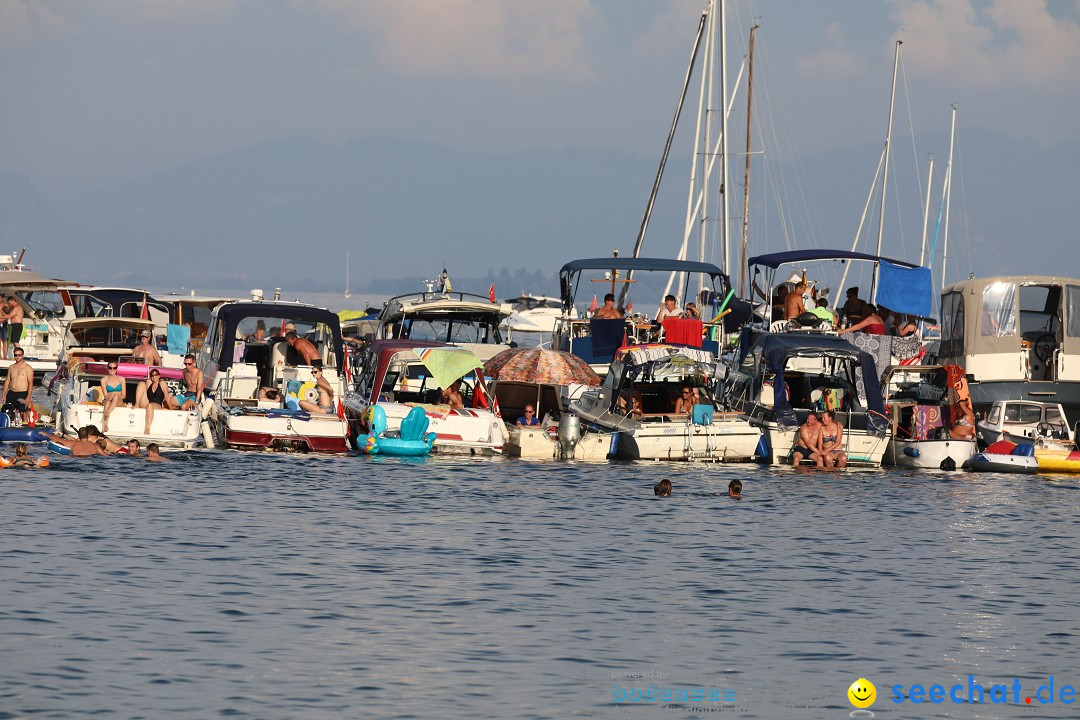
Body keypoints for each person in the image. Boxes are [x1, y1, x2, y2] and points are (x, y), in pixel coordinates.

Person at [136, 368, 175, 435]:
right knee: (141, 383)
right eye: (152, 375)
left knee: (150, 405)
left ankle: (147, 428)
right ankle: (136, 404)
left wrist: (171, 409)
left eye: (156, 375)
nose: (154, 377)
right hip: (148, 403)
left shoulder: (162, 384)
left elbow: (167, 397)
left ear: (159, 376)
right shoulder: (149, 382)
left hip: (157, 405)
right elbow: (144, 393)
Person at [1, 346, 35, 423]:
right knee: (8, 413)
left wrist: (28, 397)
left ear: (22, 355)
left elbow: (30, 383)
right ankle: (9, 431)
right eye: (15, 355)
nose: (17, 357)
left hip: (22, 393)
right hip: (11, 393)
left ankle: (25, 431)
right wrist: (3, 395)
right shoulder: (11, 367)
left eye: (19, 355)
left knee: (24, 414)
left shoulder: (28, 368)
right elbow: (7, 381)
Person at [99, 361, 126, 432]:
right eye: (110, 368)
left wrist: (114, 394)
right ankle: (105, 425)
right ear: (107, 369)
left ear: (117, 369)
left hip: (118, 400)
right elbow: (106, 396)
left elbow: (123, 396)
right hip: (108, 399)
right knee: (107, 402)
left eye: (114, 368)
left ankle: (107, 413)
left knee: (116, 397)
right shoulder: (103, 380)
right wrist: (114, 393)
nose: (112, 370)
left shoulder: (121, 379)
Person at [45, 427, 109, 457]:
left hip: (76, 460)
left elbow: (58, 440)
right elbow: (106, 456)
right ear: (87, 435)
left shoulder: (72, 444)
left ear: (78, 436)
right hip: (90, 462)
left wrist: (46, 434)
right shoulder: (95, 446)